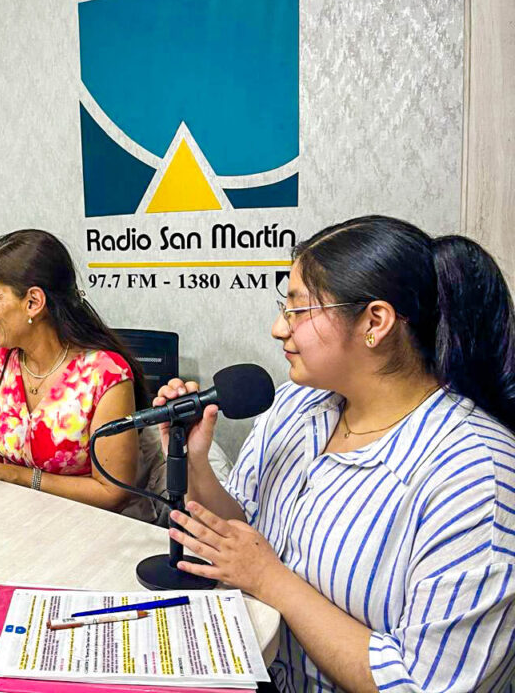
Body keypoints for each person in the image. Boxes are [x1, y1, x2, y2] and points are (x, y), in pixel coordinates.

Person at [153, 216, 515, 692]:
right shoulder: (296, 403)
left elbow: (422, 684)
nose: (278, 328)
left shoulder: (478, 475)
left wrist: (272, 580)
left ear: (374, 322)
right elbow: (241, 535)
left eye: (297, 310)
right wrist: (194, 461)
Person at [0, 229, 148, 512]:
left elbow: (112, 493)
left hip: (87, 526)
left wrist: (17, 476)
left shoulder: (105, 375)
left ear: (33, 302)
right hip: (10, 515)